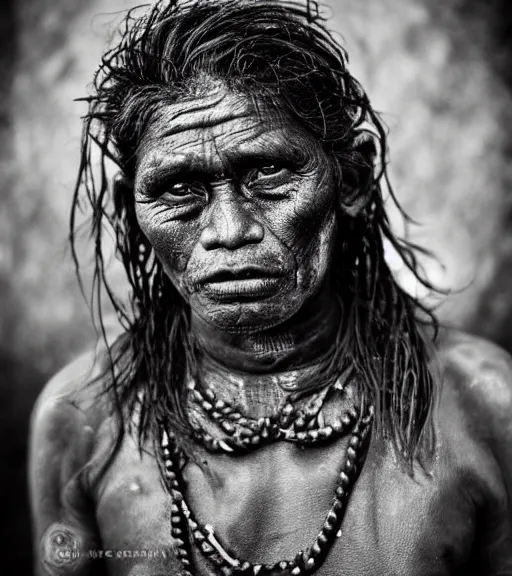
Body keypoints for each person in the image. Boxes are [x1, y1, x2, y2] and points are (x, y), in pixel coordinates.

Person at [29, 1, 512, 575]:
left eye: (268, 173)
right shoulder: (83, 419)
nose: (230, 232)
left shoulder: (486, 404)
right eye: (180, 188)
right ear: (130, 212)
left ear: (351, 178)